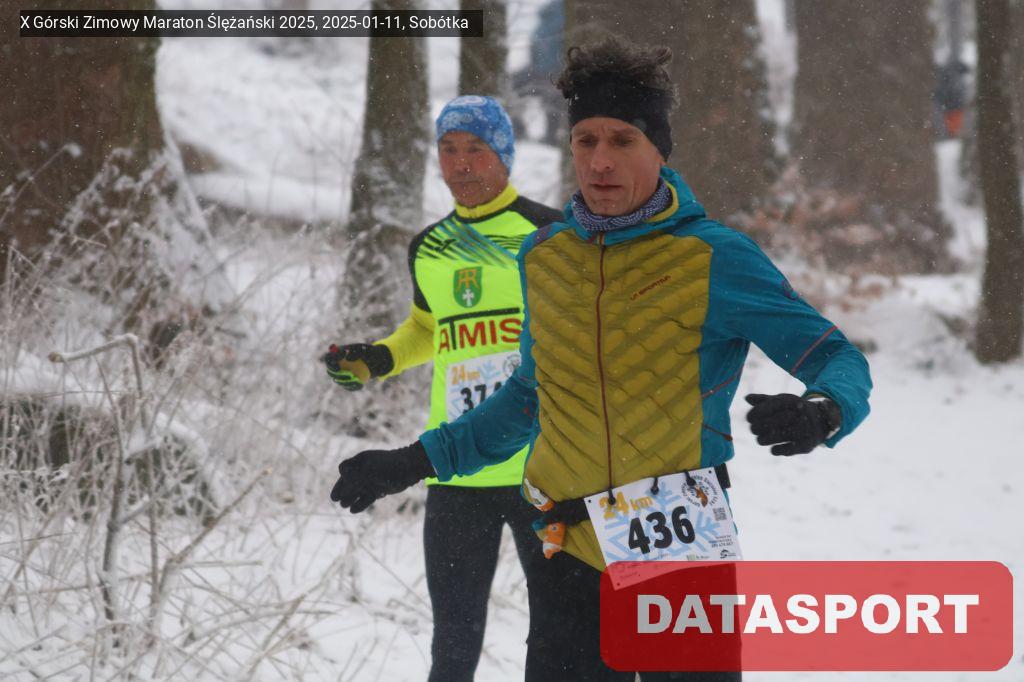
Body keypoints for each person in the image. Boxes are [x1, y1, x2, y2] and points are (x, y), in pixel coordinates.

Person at [330, 39, 872, 681]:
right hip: (571, 553)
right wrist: (414, 461)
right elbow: (529, 397)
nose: (601, 160)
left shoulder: (713, 257)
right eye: (585, 140)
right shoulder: (545, 258)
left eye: (622, 140)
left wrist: (822, 410)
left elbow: (834, 355)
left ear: (659, 149)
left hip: (682, 552)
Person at [324, 95, 563, 682]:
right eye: (449, 149)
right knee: (452, 644)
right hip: (456, 469)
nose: (461, 163)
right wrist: (378, 358)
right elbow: (430, 328)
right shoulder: (428, 247)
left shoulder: (548, 234)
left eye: (476, 149)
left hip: (544, 469)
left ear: (504, 154)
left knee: (560, 636)